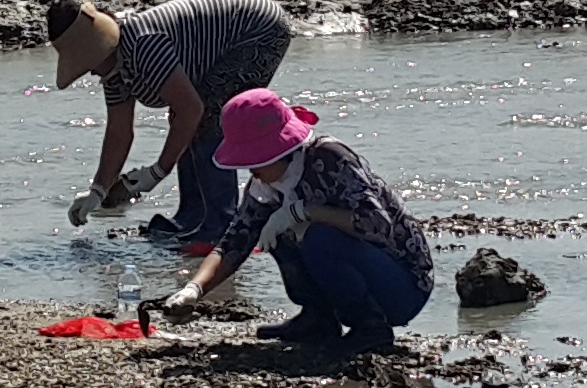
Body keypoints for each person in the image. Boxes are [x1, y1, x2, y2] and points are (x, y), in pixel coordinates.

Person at [151, 88, 435, 354]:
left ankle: (370, 328)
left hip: (401, 283)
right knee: (272, 228)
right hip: (362, 270)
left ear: (280, 150)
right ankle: (318, 318)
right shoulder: (266, 186)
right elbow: (235, 241)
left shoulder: (330, 159)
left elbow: (377, 224)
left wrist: (304, 212)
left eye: (255, 159)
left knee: (318, 237)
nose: (251, 168)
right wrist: (194, 289)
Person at [47, 0, 299, 238]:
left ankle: (221, 225)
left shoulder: (142, 46)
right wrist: (97, 191)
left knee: (208, 119)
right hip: (232, 38)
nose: (90, 72)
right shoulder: (114, 73)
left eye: (88, 63)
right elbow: (119, 133)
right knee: (188, 122)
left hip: (258, 29)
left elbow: (192, 111)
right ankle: (190, 217)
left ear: (100, 48)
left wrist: (157, 171)